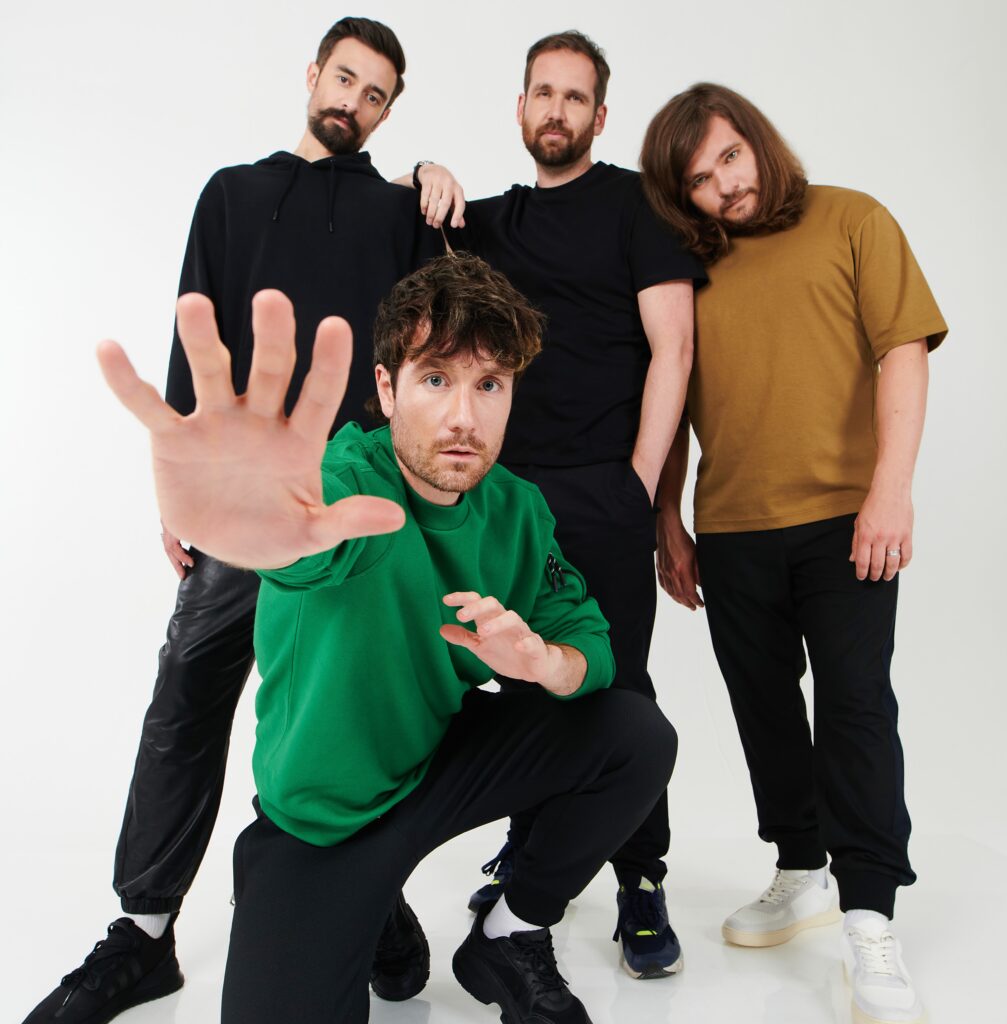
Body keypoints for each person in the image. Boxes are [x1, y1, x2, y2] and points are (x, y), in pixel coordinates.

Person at [94, 254, 678, 1023]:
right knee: (373, 986)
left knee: (634, 733)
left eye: (489, 384)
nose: (464, 416)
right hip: (325, 817)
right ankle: (373, 914)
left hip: (438, 759)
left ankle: (509, 932)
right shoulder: (346, 484)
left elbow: (588, 638)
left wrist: (547, 662)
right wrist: (259, 531)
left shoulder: (517, 509)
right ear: (387, 388)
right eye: (436, 378)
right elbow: (310, 543)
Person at [20, 16, 463, 1024]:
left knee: (339, 718)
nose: (353, 101)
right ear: (312, 74)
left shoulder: (402, 210)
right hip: (234, 496)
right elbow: (195, 340)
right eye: (344, 77)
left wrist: (439, 191)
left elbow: (443, 337)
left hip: (343, 502)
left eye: (376, 94)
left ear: (389, 112)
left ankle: (369, 898)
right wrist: (173, 488)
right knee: (187, 691)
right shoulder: (230, 192)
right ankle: (142, 933)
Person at [641, 83, 947, 1024]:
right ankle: (801, 868)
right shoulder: (691, 266)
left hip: (846, 520)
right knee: (764, 709)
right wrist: (668, 519)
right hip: (733, 527)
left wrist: (891, 490)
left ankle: (869, 914)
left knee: (855, 708)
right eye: (699, 180)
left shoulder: (854, 219)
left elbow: (904, 352)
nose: (724, 187)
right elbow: (671, 385)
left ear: (758, 141)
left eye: (730, 158)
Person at [447, 30, 705, 980]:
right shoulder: (490, 221)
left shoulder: (639, 206)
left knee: (618, 687)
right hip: (507, 498)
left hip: (602, 490)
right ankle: (533, 866)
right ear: (520, 108)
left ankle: (642, 879)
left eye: (574, 97)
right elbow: (404, 218)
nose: (556, 110)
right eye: (542, 93)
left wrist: (639, 483)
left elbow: (674, 349)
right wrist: (426, 175)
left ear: (600, 117)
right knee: (525, 682)